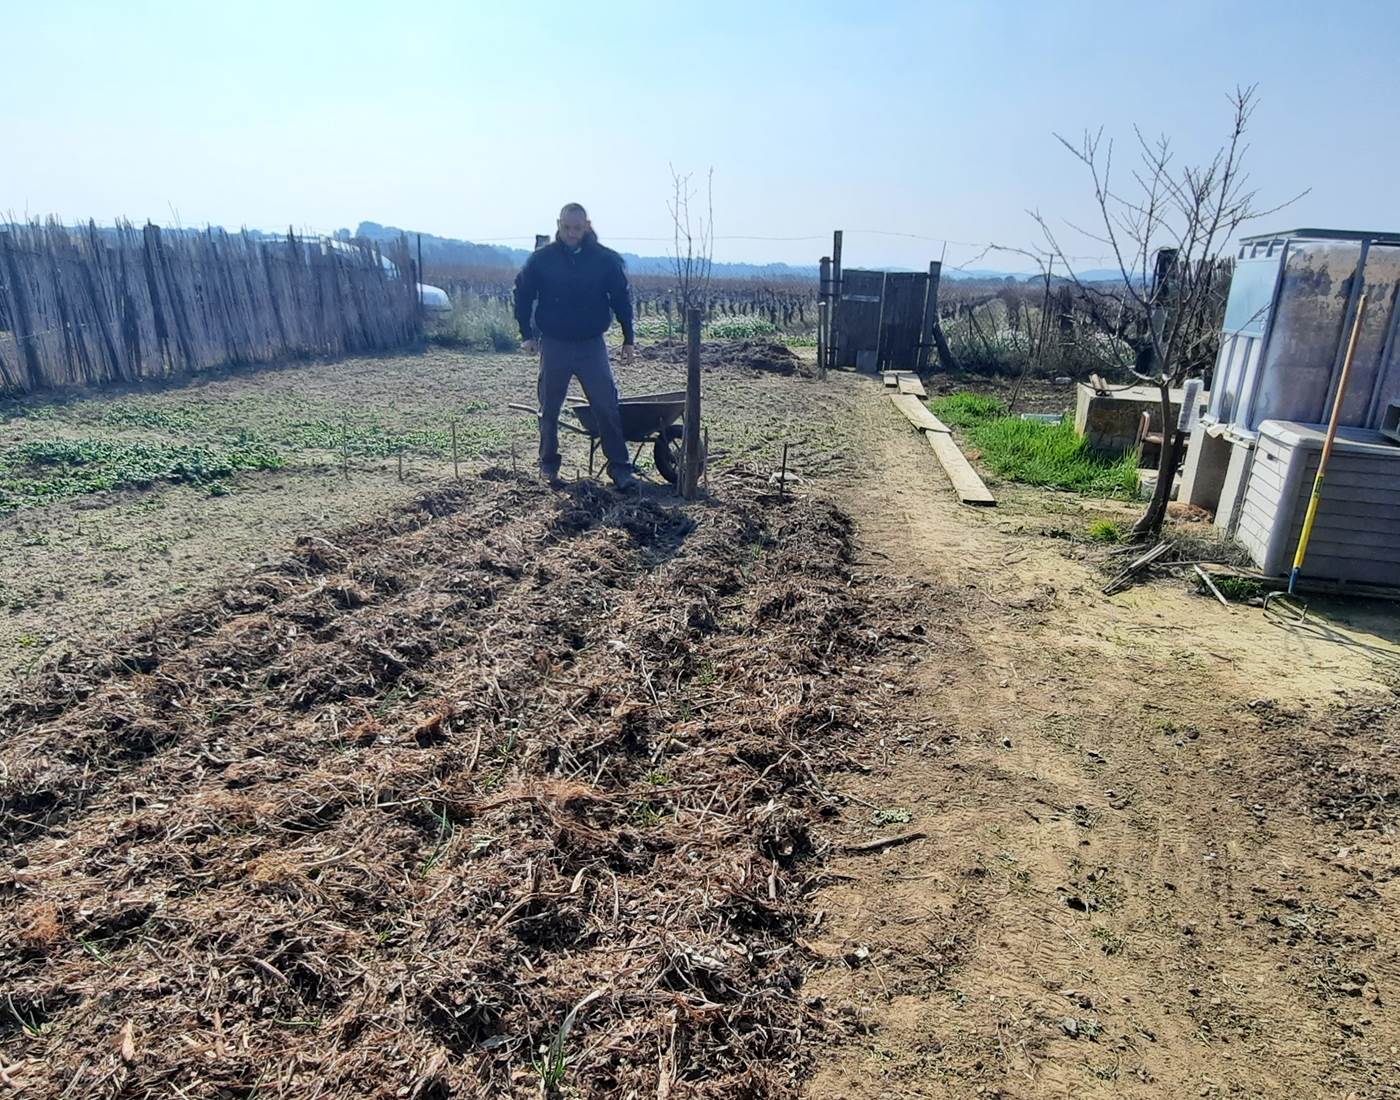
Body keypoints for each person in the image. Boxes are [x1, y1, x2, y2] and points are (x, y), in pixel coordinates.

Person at [514, 203, 638, 492]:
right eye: (566, 228)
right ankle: (549, 467)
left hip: (591, 345)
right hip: (554, 343)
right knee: (550, 409)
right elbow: (522, 293)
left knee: (606, 406)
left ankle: (620, 469)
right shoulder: (541, 260)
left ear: (587, 225)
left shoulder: (604, 260)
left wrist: (628, 338)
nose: (572, 233)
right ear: (558, 224)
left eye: (577, 228)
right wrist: (527, 334)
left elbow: (621, 298)